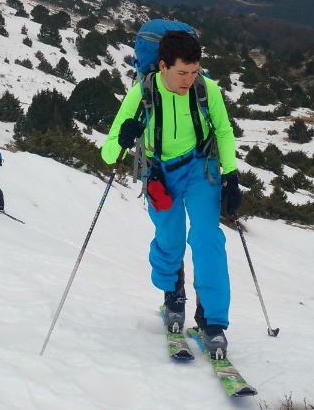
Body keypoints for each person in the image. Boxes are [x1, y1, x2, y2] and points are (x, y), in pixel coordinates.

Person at [101, 29, 241, 359]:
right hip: (159, 175)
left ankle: (212, 322)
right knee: (170, 238)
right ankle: (173, 296)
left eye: (194, 72)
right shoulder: (141, 95)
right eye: (182, 73)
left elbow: (223, 131)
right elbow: (108, 154)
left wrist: (232, 176)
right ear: (162, 66)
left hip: (199, 168)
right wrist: (123, 138)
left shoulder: (208, 91)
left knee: (208, 237)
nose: (189, 80)